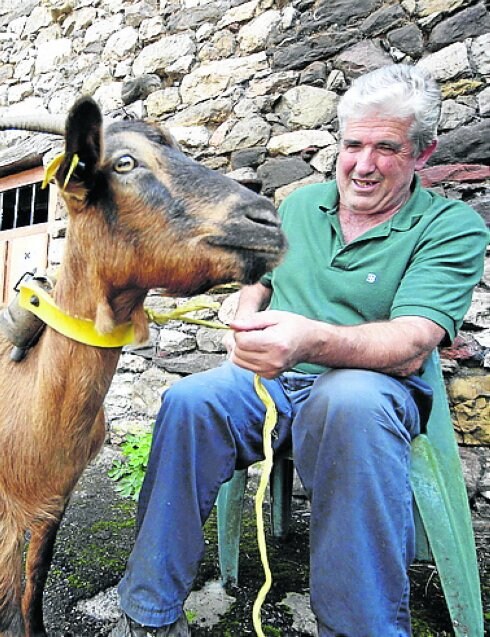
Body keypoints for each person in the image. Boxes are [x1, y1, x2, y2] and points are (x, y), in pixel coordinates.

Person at [111, 64, 488, 637]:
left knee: (348, 402)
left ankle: (360, 626)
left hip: (376, 388)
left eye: (385, 148)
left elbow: (413, 343)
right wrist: (247, 306)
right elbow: (260, 276)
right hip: (274, 386)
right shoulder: (299, 206)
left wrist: (310, 340)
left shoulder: (449, 225)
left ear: (423, 152)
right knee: (190, 400)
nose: (363, 165)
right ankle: (151, 612)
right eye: (353, 145)